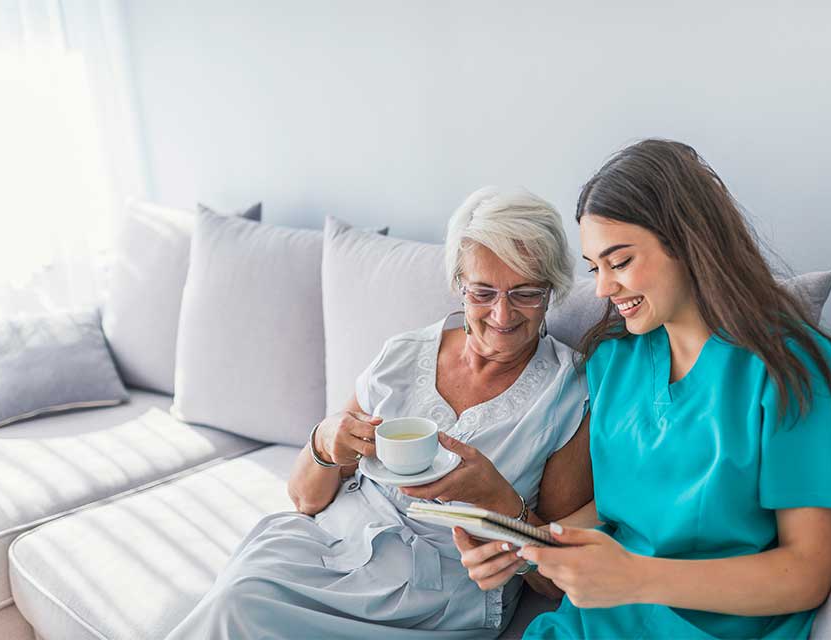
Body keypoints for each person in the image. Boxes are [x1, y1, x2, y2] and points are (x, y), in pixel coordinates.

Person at [455, 140, 831, 639]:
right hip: (592, 626)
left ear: (687, 242)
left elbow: (806, 571)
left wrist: (637, 578)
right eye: (595, 268)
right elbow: (617, 515)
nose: (603, 290)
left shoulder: (792, 370)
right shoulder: (614, 362)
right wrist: (529, 549)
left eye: (619, 262)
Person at [164, 186, 593, 639]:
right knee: (241, 593)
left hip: (435, 595)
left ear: (551, 292)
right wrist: (327, 440)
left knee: (243, 611)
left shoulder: (566, 393)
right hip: (331, 547)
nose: (502, 314)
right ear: (458, 285)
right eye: (483, 292)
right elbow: (305, 499)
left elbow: (553, 582)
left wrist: (498, 502)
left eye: (525, 293)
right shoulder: (404, 355)